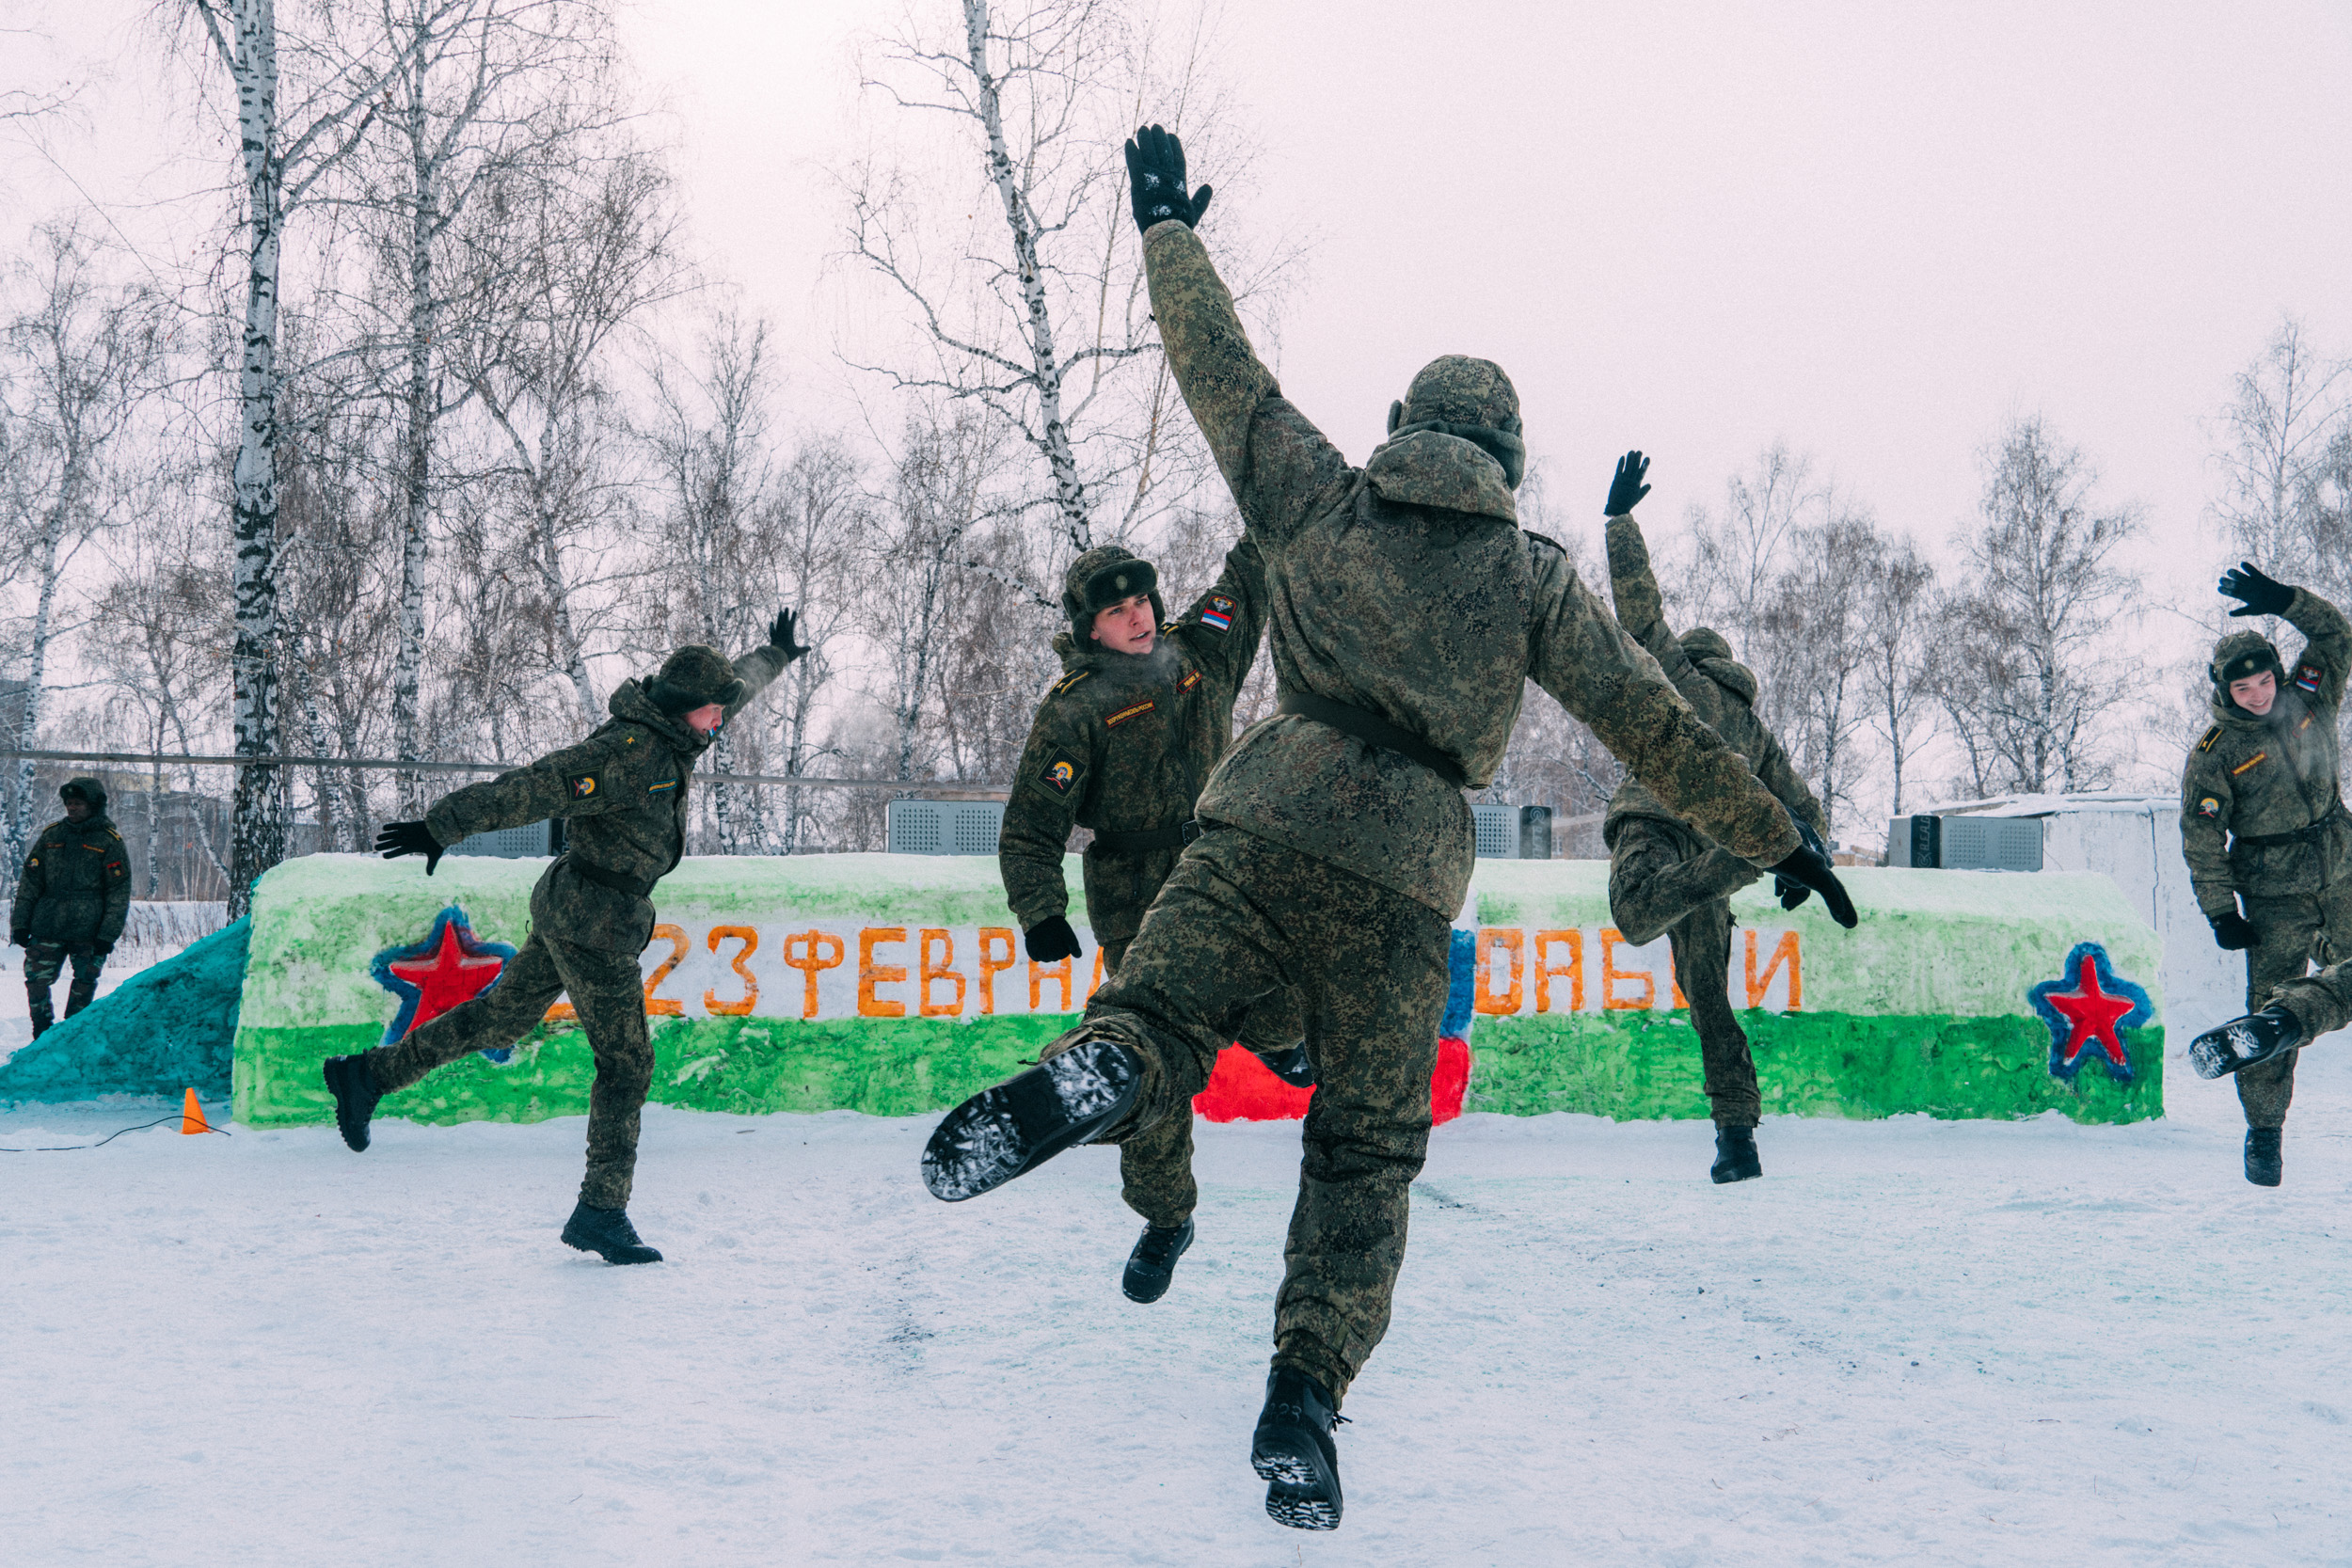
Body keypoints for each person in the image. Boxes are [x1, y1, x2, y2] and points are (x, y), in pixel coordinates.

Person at [920, 125, 1857, 1532]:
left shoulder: (1315, 492)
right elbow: (1658, 721)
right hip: (1404, 873)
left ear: (1407, 422)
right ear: (1506, 455)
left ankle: (1102, 1073)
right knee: (1362, 1151)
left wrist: (1168, 230)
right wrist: (1777, 829)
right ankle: (1303, 1397)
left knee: (1157, 1008)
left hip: (1258, 816)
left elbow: (1215, 370)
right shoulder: (1529, 574)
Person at [323, 613, 807, 1262]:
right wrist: (444, 825)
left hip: (575, 905)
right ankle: (601, 1210)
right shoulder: (629, 753)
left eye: (719, 711)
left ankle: (368, 1077)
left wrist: (774, 653)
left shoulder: (679, 734)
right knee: (627, 1062)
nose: (719, 722)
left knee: (499, 1019)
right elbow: (537, 785)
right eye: (710, 713)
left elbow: (738, 689)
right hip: (594, 922)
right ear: (683, 708)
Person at [998, 538, 1311, 1305]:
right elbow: (1030, 825)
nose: (1136, 617)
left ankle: (1284, 1043)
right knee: (1151, 1064)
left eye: (1141, 601)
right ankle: (1167, 1216)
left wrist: (1265, 497)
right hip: (1137, 902)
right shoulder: (1076, 710)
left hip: (1224, 871)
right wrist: (1041, 910)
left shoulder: (1199, 653)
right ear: (1090, 626)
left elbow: (1249, 575)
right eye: (1115, 610)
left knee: (1282, 994)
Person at [1600, 491, 1833, 1183]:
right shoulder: (1755, 731)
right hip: (1710, 852)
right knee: (1711, 1000)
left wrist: (1619, 523)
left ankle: (1738, 859)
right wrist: (1802, 860)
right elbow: (1803, 806)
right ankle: (1738, 1141)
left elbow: (1641, 616)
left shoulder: (1675, 677)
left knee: (1635, 912)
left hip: (1655, 824)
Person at [2178, 562, 2350, 1185]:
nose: (2257, 692)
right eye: (2243, 687)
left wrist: (2285, 600)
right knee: (2264, 1007)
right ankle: (2265, 1129)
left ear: (2277, 673)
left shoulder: (2311, 698)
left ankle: (2291, 1017)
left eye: (2263, 679)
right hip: (2274, 890)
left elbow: (2337, 637)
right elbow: (2201, 837)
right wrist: (2221, 910)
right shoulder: (2215, 754)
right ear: (2225, 691)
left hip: (2341, 865)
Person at [9, 777, 131, 1037]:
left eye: (78, 804)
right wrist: (20, 924)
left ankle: (72, 1037)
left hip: (89, 930)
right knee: (36, 981)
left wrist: (107, 935)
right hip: (47, 925)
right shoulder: (52, 835)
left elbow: (118, 892)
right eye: (69, 803)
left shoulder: (109, 841)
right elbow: (30, 881)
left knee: (84, 983)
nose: (72, 808)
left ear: (93, 806)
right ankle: (41, 1034)